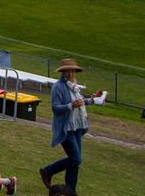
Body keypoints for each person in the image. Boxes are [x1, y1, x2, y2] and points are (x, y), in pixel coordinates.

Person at [41, 59, 105, 192]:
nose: (70, 73)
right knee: (76, 159)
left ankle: (71, 190)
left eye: (72, 70)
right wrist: (71, 105)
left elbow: (79, 102)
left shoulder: (74, 85)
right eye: (67, 71)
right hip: (66, 128)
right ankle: (48, 171)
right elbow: (55, 108)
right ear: (63, 72)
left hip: (77, 126)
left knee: (74, 161)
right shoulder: (58, 86)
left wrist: (92, 100)